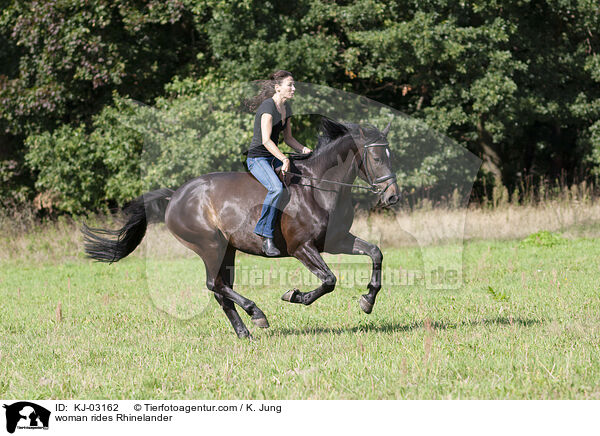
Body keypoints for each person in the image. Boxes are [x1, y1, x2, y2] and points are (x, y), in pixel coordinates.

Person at [246, 70, 311, 256]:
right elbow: (266, 140)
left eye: (293, 84)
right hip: (258, 158)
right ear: (278, 88)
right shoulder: (268, 107)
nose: (294, 88)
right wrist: (283, 158)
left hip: (273, 157)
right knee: (276, 189)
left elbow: (289, 138)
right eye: (290, 85)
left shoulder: (286, 108)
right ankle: (265, 234)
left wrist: (304, 150)